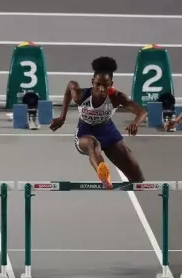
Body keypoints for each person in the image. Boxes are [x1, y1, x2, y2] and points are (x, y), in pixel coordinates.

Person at [50, 56, 146, 189]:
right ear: (92, 82)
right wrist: (62, 117)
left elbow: (142, 112)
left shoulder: (116, 98)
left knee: (137, 179)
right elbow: (70, 85)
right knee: (92, 144)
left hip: (108, 132)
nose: (101, 89)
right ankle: (105, 177)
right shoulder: (80, 96)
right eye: (98, 84)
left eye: (105, 85)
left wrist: (135, 123)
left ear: (111, 84)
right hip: (85, 132)